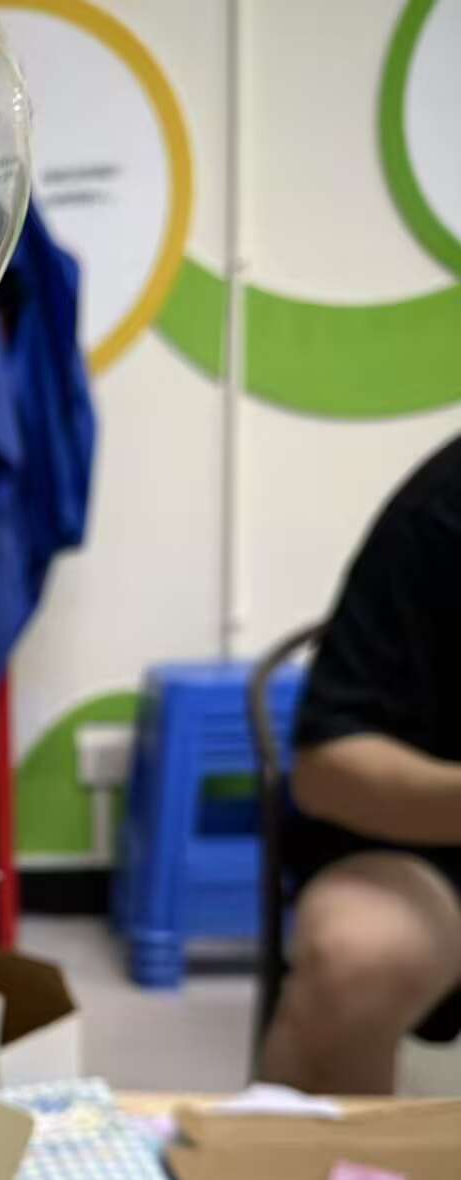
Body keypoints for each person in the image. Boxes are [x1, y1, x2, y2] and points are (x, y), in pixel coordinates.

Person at [261, 433, 461, 1094]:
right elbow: (330, 767)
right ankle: (320, 1164)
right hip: (427, 839)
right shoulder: (441, 507)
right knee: (353, 960)